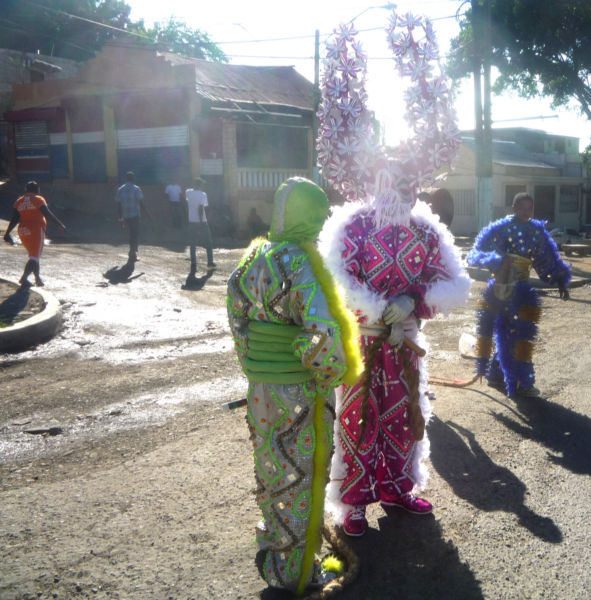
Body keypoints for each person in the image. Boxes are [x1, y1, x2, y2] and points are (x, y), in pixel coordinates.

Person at [316, 15, 470, 538]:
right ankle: (354, 502)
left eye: (405, 181)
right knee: (357, 420)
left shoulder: (427, 231)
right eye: (387, 179)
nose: (396, 190)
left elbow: (457, 283)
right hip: (363, 343)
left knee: (406, 420)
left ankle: (399, 490)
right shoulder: (352, 225)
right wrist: (372, 308)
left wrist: (415, 303)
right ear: (370, 177)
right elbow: (336, 275)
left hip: (405, 342)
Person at [226, 177, 363, 594]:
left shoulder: (252, 259)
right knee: (303, 475)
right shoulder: (303, 263)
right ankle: (298, 573)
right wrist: (329, 376)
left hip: (260, 390)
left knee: (271, 471)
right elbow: (321, 335)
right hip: (299, 393)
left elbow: (238, 322)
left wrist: (255, 363)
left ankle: (276, 555)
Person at [466, 192, 571, 398]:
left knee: (522, 334)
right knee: (503, 331)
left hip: (523, 291)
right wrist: (498, 260)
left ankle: (508, 375)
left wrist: (560, 279)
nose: (526, 212)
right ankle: (518, 380)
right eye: (522, 207)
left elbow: (547, 257)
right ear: (513, 208)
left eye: (530, 208)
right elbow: (475, 254)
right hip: (500, 289)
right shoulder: (499, 229)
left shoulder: (536, 231)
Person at [3, 180, 66, 287]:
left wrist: (7, 232)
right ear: (37, 190)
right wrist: (60, 224)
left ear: (26, 190)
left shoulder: (19, 201)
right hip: (36, 230)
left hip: (23, 231)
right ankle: (24, 278)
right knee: (34, 257)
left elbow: (14, 219)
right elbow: (47, 213)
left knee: (34, 256)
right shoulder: (38, 199)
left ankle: (37, 279)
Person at [115, 171, 148, 262]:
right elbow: (141, 202)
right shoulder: (136, 188)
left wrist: (120, 218)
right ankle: (132, 252)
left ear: (126, 179)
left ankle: (133, 250)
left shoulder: (120, 189)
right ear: (133, 179)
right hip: (135, 215)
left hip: (125, 215)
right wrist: (147, 213)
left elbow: (118, 204)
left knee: (131, 233)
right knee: (134, 234)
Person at [184, 178, 215, 269]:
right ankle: (210, 262)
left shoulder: (188, 192)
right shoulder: (203, 194)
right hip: (202, 221)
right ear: (200, 185)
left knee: (192, 243)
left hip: (192, 221)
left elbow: (188, 197)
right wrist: (201, 222)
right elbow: (201, 208)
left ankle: (193, 262)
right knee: (208, 242)